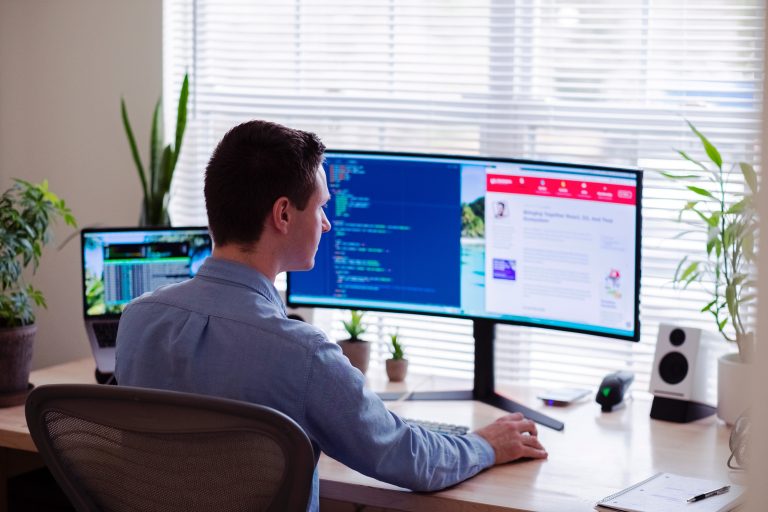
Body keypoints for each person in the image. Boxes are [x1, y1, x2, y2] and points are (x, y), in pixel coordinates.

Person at [115, 120, 547, 511]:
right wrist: (486, 445)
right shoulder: (301, 354)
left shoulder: (137, 320)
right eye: (320, 207)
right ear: (283, 214)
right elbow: (405, 457)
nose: (327, 225)